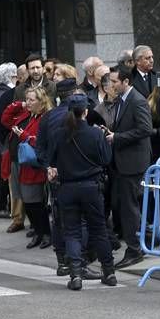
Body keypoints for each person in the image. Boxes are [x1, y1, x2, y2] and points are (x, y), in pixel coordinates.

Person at [40, 94, 116, 290]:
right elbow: (106, 160)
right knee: (99, 231)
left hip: (67, 188)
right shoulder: (95, 134)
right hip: (92, 187)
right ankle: (109, 272)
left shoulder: (59, 134)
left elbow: (52, 159)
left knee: (72, 232)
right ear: (86, 112)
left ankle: (75, 275)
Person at [106, 65, 153, 268]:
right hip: (122, 162)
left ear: (126, 82)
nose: (112, 85)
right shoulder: (122, 100)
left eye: (115, 81)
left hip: (133, 163)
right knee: (125, 206)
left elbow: (145, 129)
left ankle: (134, 249)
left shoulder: (137, 100)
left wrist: (117, 137)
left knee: (129, 208)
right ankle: (143, 242)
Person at [1, 87, 53, 249]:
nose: (28, 103)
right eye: (27, 99)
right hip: (22, 165)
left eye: (31, 100)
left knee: (36, 203)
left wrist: (24, 136)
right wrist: (20, 105)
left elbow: (42, 143)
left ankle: (45, 233)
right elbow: (5, 118)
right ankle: (38, 232)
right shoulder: (28, 115)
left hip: (36, 167)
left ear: (42, 102)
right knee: (27, 202)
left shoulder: (45, 119)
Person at [0, 62, 17, 219]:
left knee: (3, 171)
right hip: (3, 140)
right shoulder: (5, 94)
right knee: (5, 173)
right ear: (12, 76)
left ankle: (1, 204)